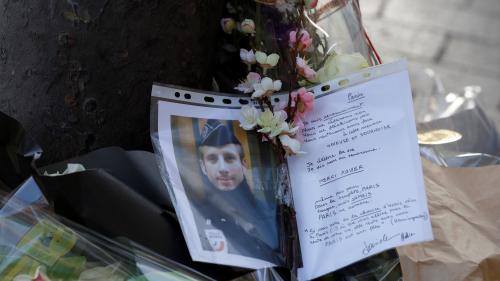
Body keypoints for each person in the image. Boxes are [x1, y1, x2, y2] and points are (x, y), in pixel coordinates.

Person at [192, 119, 282, 264]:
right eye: (213, 159)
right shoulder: (199, 212)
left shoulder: (269, 204)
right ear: (203, 167)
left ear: (244, 165)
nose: (222, 168)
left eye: (229, 158)